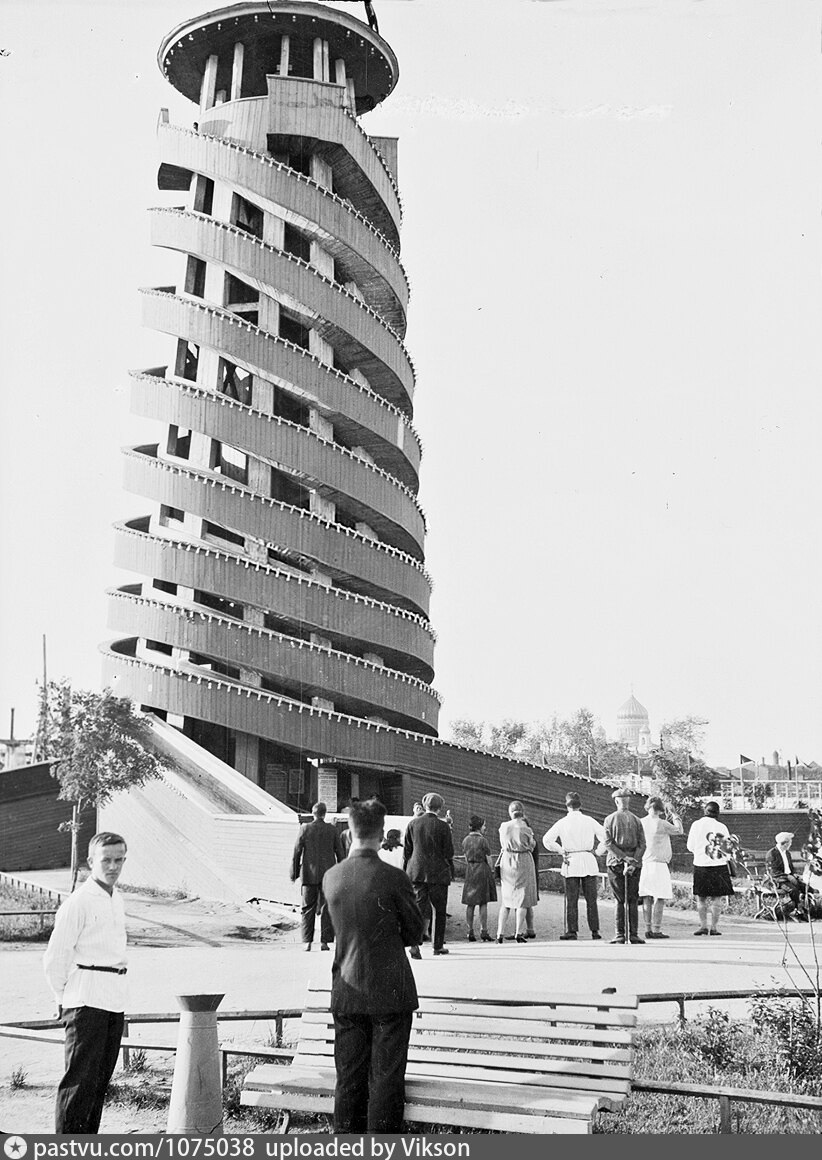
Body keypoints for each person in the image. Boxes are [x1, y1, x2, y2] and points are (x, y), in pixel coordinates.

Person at [323, 797, 423, 1134]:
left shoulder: (332, 877)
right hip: (391, 991)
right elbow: (414, 932)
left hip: (347, 990)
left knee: (348, 1079)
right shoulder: (394, 877)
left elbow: (329, 929)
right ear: (382, 835)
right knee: (386, 1079)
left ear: (349, 834)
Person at [43, 832, 129, 1134]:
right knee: (79, 1085)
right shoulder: (78, 903)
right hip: (85, 1002)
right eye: (106, 860)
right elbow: (55, 958)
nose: (113, 866)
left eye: (119, 860)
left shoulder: (116, 898)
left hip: (113, 1000)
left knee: (98, 1085)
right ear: (91, 861)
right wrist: (62, 998)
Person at [543, 792, 606, 941]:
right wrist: (598, 851)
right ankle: (595, 930)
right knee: (591, 899)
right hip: (588, 860)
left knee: (572, 899)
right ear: (580, 805)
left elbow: (547, 840)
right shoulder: (589, 820)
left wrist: (560, 850)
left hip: (571, 860)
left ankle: (572, 930)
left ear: (567, 806)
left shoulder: (562, 822)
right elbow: (606, 837)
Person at [403, 791, 454, 957]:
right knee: (438, 910)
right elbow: (449, 852)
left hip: (416, 872)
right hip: (438, 874)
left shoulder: (413, 824)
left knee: (417, 908)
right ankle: (437, 946)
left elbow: (407, 851)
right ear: (439, 808)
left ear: (425, 806)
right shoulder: (443, 826)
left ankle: (414, 944)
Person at [290, 802, 344, 952]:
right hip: (329, 875)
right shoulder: (332, 830)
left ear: (313, 814)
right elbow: (340, 853)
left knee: (307, 908)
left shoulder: (305, 829)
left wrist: (294, 873)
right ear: (324, 814)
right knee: (327, 908)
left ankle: (307, 942)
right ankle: (325, 942)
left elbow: (296, 853)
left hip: (308, 875)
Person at [603, 787, 646, 945]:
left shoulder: (609, 819)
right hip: (635, 863)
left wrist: (623, 857)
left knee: (619, 899)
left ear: (616, 801)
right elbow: (643, 844)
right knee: (633, 899)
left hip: (615, 862)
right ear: (628, 801)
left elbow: (608, 843)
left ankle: (620, 934)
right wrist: (633, 861)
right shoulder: (637, 820)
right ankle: (633, 934)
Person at [686, 800, 734, 935]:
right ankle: (714, 927)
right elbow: (727, 848)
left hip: (701, 864)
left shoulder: (696, 825)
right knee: (717, 898)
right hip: (719, 865)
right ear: (718, 813)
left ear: (705, 811)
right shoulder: (722, 827)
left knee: (701, 898)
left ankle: (703, 926)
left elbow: (690, 846)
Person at [638, 797, 683, 939]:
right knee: (660, 897)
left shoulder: (641, 822)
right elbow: (679, 830)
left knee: (647, 897)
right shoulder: (662, 823)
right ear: (660, 809)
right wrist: (675, 814)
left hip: (646, 862)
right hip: (660, 863)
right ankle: (656, 929)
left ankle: (647, 927)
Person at [496, 800, 538, 943]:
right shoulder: (526, 829)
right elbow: (532, 845)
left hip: (507, 859)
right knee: (522, 899)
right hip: (523, 860)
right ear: (523, 812)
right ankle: (518, 932)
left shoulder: (503, 827)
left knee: (506, 899)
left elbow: (502, 843)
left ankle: (499, 933)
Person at [461, 815, 496, 941]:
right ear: (479, 827)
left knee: (470, 903)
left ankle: (469, 931)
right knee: (483, 902)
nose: (485, 828)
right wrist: (491, 871)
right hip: (482, 869)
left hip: (470, 870)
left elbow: (465, 857)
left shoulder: (465, 840)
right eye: (484, 825)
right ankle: (484, 931)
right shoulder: (483, 841)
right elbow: (488, 858)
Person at [767, 832, 812, 919]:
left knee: (807, 888)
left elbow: (790, 868)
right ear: (784, 843)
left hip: (789, 879)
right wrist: (787, 876)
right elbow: (774, 872)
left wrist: (794, 874)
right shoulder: (772, 853)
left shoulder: (787, 853)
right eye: (789, 842)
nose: (790, 844)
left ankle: (804, 908)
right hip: (777, 880)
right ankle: (796, 911)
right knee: (793, 890)